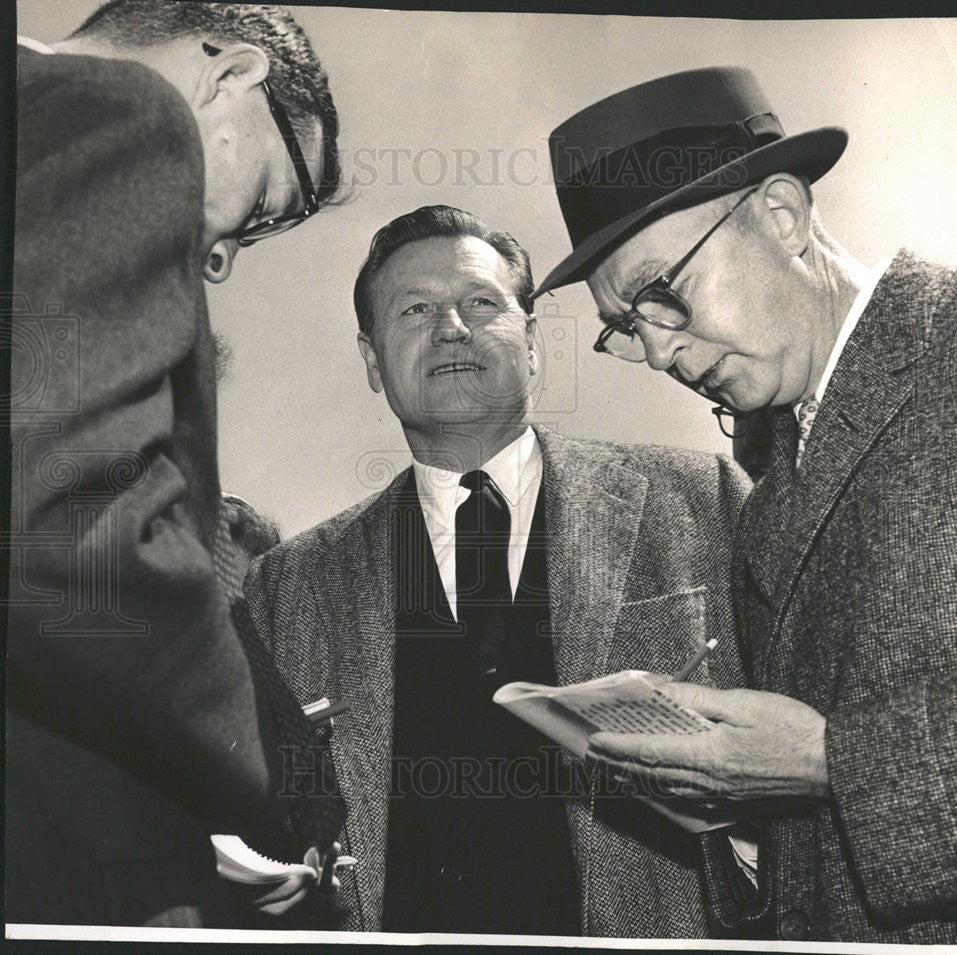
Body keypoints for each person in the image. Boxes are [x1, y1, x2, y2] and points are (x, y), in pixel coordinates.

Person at [533, 67, 957, 943]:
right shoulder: (766, 493)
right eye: (629, 325)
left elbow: (838, 755)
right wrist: (725, 799)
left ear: (782, 216)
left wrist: (827, 762)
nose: (661, 349)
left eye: (660, 291)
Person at [244, 205, 752, 936]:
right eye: (414, 309)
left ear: (535, 343)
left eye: (481, 302)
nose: (450, 327)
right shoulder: (284, 586)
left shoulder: (706, 502)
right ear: (370, 359)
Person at [9, 0, 345, 927]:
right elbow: (67, 516)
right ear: (229, 73)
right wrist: (252, 784)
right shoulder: (117, 109)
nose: (226, 256)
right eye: (267, 206)